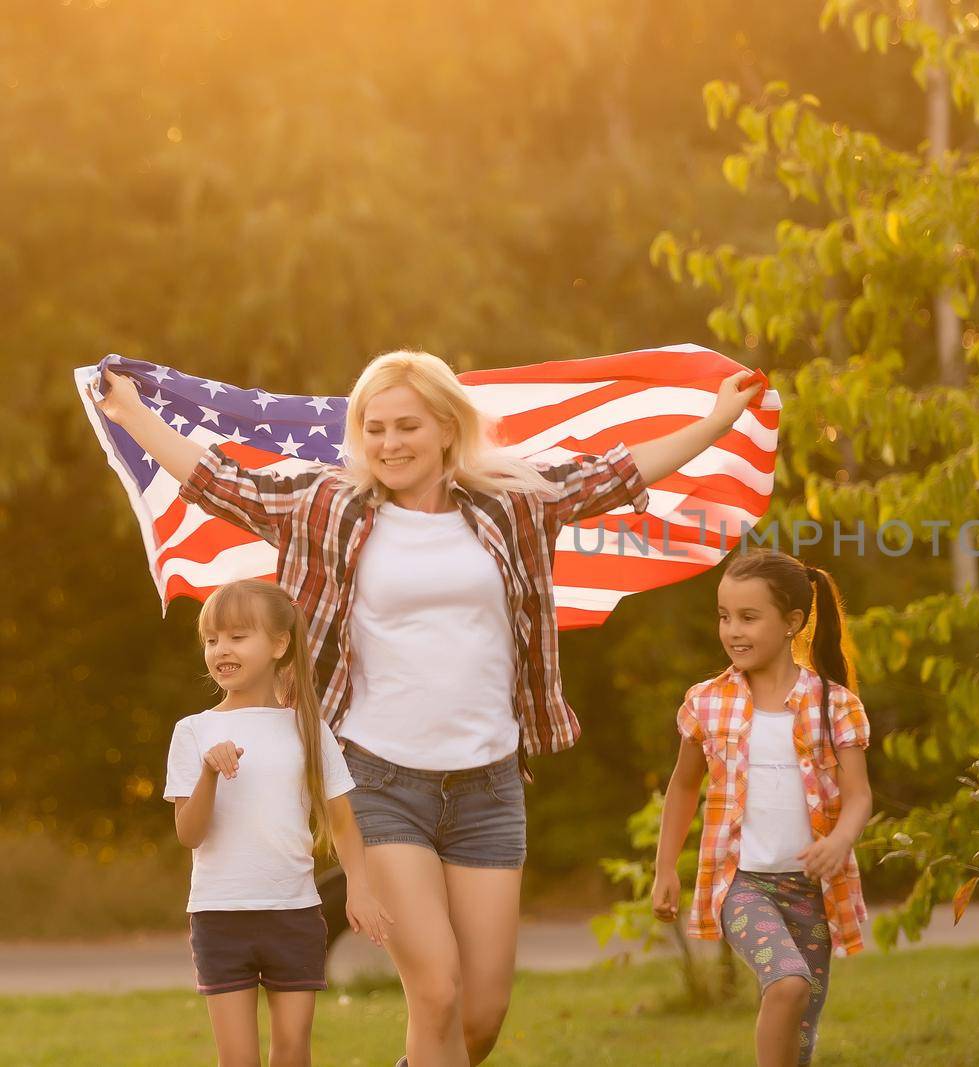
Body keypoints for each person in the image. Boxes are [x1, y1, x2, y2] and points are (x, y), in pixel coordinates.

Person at [95, 349, 763, 1066]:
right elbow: (221, 484)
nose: (389, 443)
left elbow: (617, 472)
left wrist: (718, 418)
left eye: (406, 425)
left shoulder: (514, 500)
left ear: (446, 426)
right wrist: (131, 413)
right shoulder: (329, 504)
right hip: (381, 782)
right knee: (437, 991)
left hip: (489, 787)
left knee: (480, 1014)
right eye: (374, 428)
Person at [651, 549, 873, 1067]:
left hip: (810, 891)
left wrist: (839, 840)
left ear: (792, 622)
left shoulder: (834, 704)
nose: (732, 630)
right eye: (724, 616)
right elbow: (684, 786)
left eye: (749, 617)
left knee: (799, 1037)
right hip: (742, 884)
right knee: (789, 982)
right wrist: (665, 868)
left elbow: (859, 794)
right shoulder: (708, 701)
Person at [166, 579, 391, 1067]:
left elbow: (343, 823)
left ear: (279, 644)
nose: (221, 649)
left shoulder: (308, 729)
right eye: (212, 640)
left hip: (293, 915)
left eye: (238, 636)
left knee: (293, 1052)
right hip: (219, 917)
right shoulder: (193, 732)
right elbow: (189, 833)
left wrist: (360, 888)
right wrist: (207, 773)